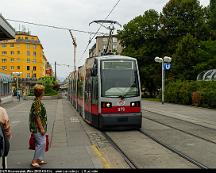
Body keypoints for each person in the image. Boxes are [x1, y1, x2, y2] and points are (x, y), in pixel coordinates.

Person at [29, 84, 47, 168]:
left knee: (42, 142)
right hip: (37, 128)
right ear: (40, 92)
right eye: (43, 91)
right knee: (41, 143)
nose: (44, 92)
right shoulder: (37, 102)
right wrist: (41, 128)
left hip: (38, 127)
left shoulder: (37, 101)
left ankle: (39, 159)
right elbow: (37, 116)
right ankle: (34, 161)